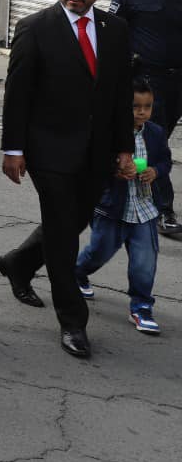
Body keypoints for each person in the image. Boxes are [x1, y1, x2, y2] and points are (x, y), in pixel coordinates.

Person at [0, 0, 134, 360]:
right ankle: (73, 321)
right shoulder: (35, 28)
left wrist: (124, 148)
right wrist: (13, 150)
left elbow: (120, 95)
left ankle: (18, 263)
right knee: (61, 231)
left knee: (74, 220)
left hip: (98, 151)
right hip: (48, 150)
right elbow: (17, 95)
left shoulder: (116, 29)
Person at [75, 77, 170, 335]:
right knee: (99, 251)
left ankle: (141, 307)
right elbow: (92, 164)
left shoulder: (156, 133)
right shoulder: (110, 134)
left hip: (145, 209)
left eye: (147, 106)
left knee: (144, 261)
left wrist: (155, 171)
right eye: (135, 106)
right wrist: (114, 171)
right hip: (112, 209)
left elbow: (165, 161)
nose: (142, 112)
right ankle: (78, 273)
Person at [109, 0, 182, 236]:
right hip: (145, 84)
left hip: (177, 83)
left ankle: (135, 187)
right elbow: (111, 35)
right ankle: (164, 209)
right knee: (154, 142)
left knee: (153, 141)